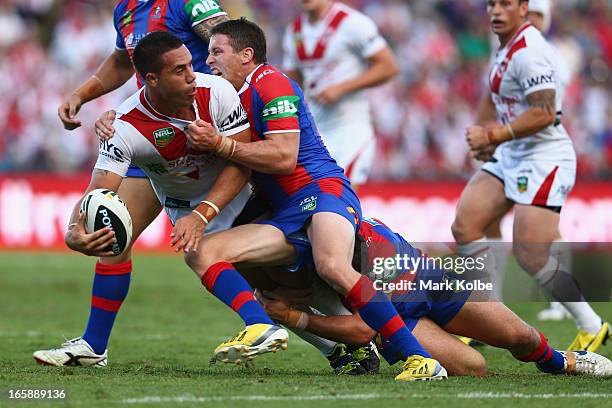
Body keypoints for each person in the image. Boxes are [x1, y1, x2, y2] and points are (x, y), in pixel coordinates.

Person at [180, 18, 446, 381]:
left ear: (246, 55)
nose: (208, 60)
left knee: (333, 266)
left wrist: (221, 145)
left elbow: (284, 156)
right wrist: (113, 122)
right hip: (287, 213)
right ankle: (267, 327)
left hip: (322, 193)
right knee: (202, 252)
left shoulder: (270, 82)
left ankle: (422, 359)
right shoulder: (229, 99)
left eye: (216, 52)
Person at [33, 32, 286, 366]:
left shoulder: (217, 91)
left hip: (242, 198)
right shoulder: (123, 128)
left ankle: (307, 336)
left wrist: (203, 214)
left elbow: (242, 163)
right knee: (114, 237)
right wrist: (73, 229)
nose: (192, 75)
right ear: (152, 78)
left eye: (191, 65)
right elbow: (100, 191)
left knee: (292, 284)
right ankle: (95, 346)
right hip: (182, 203)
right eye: (180, 70)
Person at [257, 216, 612, 378]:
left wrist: (296, 319)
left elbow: (362, 330)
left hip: (437, 286)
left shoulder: (351, 228)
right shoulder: (307, 250)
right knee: (475, 368)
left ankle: (560, 361)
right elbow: (368, 325)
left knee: (523, 337)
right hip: (400, 320)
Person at [451, 0, 609, 352]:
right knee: (466, 224)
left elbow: (544, 112)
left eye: (505, 4)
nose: (495, 11)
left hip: (544, 158)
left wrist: (492, 136)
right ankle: (485, 316)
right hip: (513, 152)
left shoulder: (531, 51)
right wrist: (481, 131)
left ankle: (591, 323)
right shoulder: (505, 47)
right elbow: (493, 100)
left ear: (523, 8)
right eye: (491, 4)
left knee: (531, 252)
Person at [282, 0, 398, 188]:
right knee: (313, 205)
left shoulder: (353, 23)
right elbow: (292, 84)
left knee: (342, 202)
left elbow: (388, 67)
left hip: (349, 128)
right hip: (314, 132)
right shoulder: (293, 31)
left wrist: (342, 88)